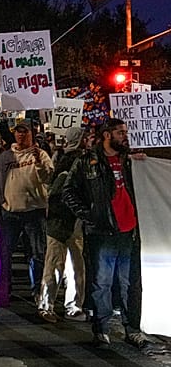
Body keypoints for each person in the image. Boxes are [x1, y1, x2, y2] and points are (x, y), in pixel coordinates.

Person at [62, 118, 145, 347]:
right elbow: (67, 192)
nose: (124, 136)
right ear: (107, 135)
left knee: (130, 283)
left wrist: (143, 165)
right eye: (120, 132)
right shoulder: (87, 161)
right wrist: (89, 215)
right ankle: (101, 329)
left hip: (128, 232)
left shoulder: (129, 161)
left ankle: (132, 330)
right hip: (101, 233)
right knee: (102, 283)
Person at [0, 121, 54, 308]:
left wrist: (38, 164)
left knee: (37, 254)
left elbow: (48, 177)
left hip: (34, 212)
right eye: (18, 132)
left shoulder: (41, 154)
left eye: (24, 132)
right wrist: (3, 203)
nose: (20, 135)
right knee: (5, 253)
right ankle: (5, 291)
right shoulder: (6, 157)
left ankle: (37, 292)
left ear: (31, 134)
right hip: (11, 213)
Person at [38, 127, 86, 323]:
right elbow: (57, 194)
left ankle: (65, 306)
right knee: (59, 265)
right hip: (63, 221)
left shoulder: (67, 160)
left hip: (70, 220)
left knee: (72, 266)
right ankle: (51, 305)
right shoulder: (72, 163)